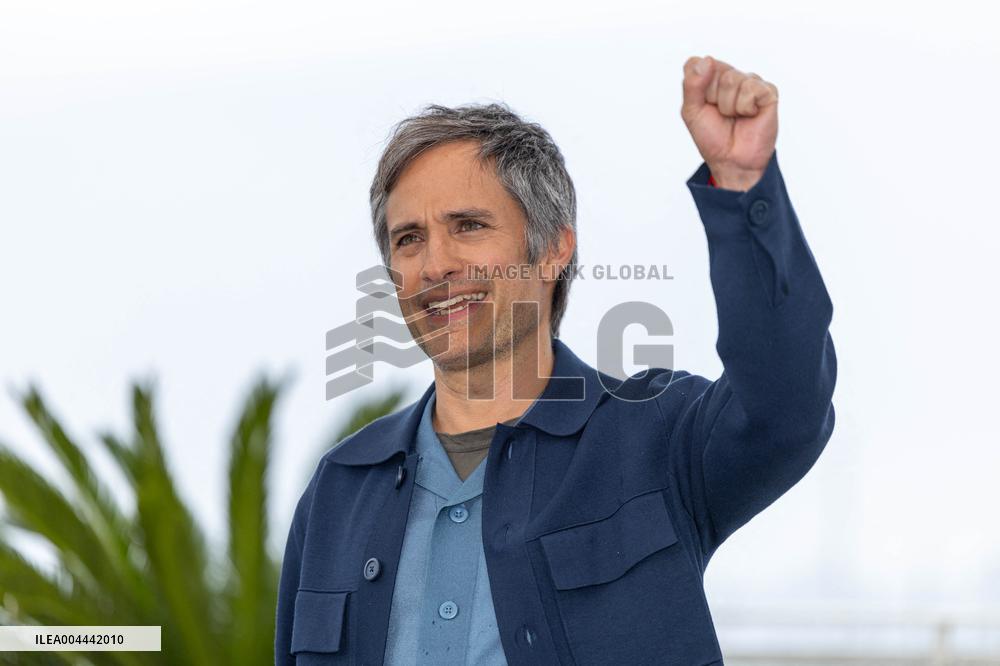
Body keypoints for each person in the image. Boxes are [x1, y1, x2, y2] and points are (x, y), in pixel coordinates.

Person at [276, 54, 837, 665]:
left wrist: (743, 192)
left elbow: (785, 407)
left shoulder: (655, 440)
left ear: (553, 249)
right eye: (408, 238)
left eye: (467, 225)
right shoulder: (339, 489)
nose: (434, 264)